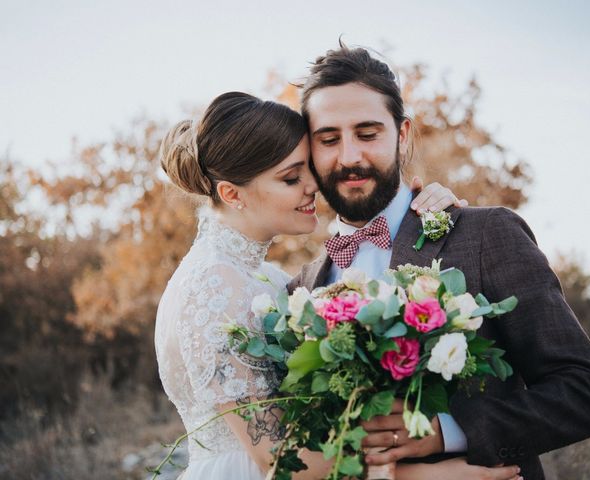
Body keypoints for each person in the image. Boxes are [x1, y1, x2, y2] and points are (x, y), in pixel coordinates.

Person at [288, 42, 590, 480]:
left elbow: (587, 394)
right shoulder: (299, 291)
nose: (349, 156)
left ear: (402, 134)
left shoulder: (485, 234)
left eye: (368, 134)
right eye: (328, 139)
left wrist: (446, 432)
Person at [155, 91, 522, 480]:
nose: (314, 184)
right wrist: (437, 476)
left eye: (308, 168)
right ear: (231, 194)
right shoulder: (214, 285)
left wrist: (436, 221)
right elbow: (278, 459)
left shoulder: (276, 281)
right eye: (291, 178)